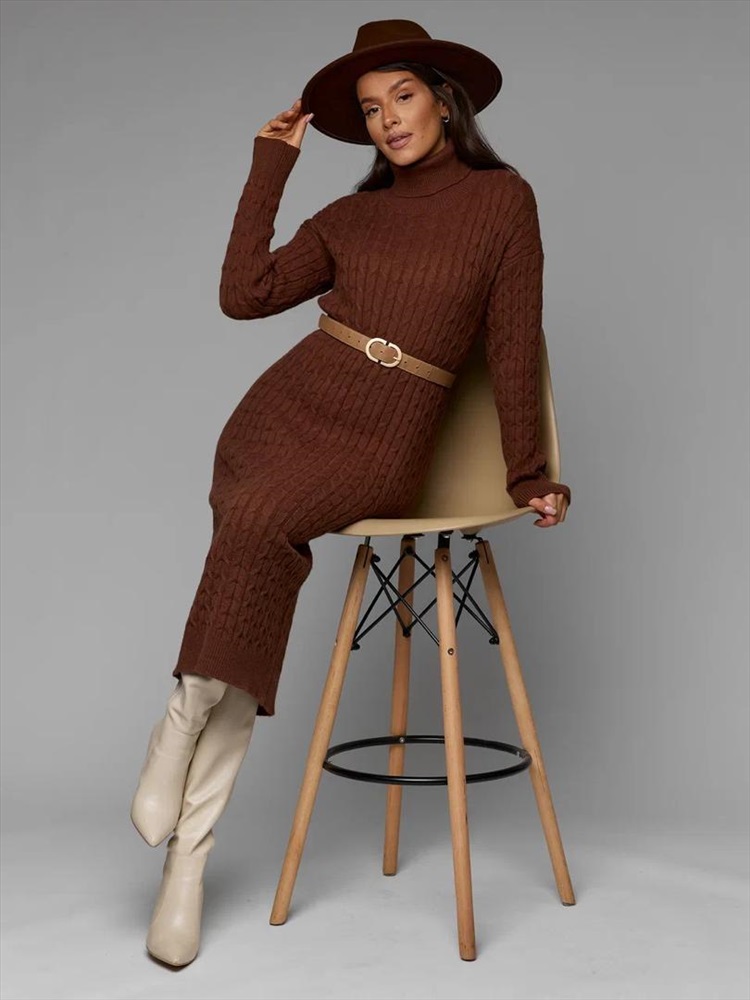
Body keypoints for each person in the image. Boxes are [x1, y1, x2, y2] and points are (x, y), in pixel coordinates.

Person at [130, 18, 572, 968]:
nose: (388, 121)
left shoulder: (503, 201)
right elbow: (245, 295)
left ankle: (182, 720)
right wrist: (271, 166)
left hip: (381, 441)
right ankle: (188, 861)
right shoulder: (350, 216)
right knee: (256, 540)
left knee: (257, 528)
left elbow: (512, 344)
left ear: (443, 100)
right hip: (285, 410)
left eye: (402, 97)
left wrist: (528, 472)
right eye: (370, 110)